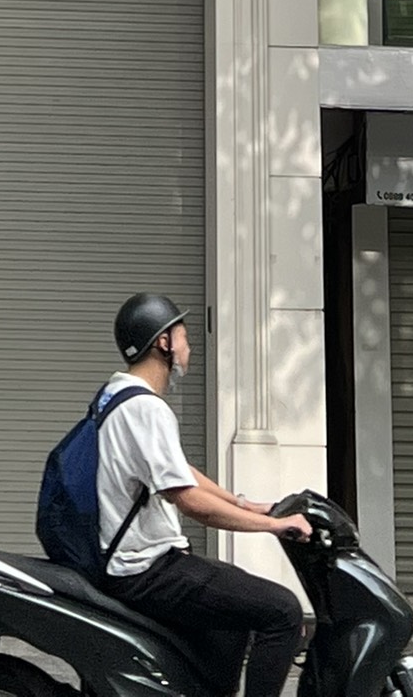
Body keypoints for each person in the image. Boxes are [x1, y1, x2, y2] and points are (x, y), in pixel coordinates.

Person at [94, 293, 308, 697]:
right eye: (184, 337)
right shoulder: (146, 409)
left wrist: (244, 503)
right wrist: (273, 526)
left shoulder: (117, 395)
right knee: (283, 611)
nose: (189, 348)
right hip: (147, 570)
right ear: (163, 343)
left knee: (235, 607)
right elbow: (189, 500)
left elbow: (179, 470)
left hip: (141, 562)